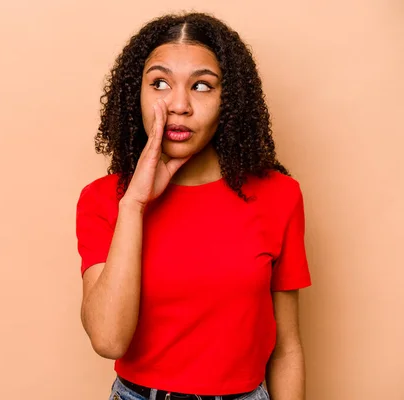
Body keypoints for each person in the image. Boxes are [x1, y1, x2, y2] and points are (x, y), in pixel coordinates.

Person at [75, 11, 312, 400]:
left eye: (202, 86)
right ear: (137, 94)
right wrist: (134, 203)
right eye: (160, 83)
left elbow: (287, 347)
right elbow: (108, 340)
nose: (179, 105)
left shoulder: (280, 195)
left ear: (229, 101)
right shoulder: (103, 200)